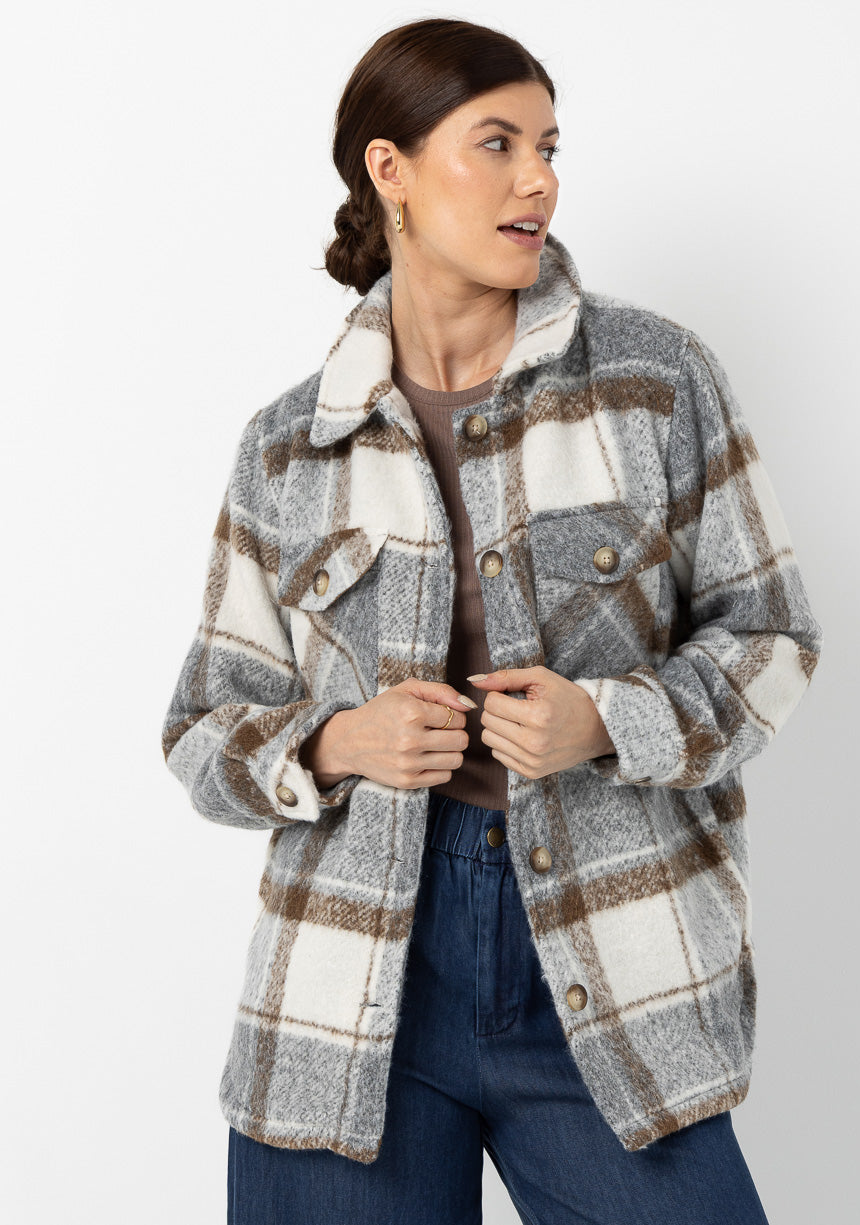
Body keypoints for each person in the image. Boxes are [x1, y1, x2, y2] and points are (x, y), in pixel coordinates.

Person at [161, 17, 823, 1224]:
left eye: (548, 147)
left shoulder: (652, 380)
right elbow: (203, 729)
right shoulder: (288, 446)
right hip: (350, 988)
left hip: (609, 957)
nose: (538, 180)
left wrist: (607, 721)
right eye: (497, 143)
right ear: (391, 170)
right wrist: (335, 743)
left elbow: (770, 637)